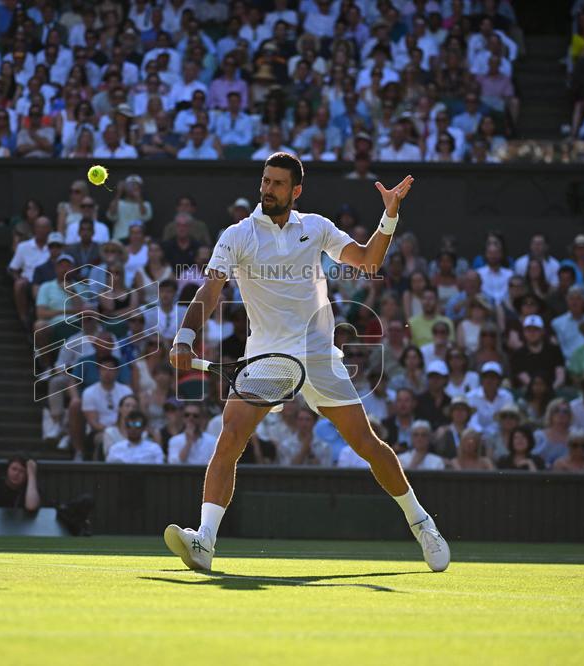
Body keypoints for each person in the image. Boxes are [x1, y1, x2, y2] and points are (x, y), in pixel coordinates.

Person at [167, 153, 448, 573]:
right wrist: (185, 336)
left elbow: (368, 262)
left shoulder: (316, 227)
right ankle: (204, 541)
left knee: (366, 443)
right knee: (230, 436)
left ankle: (422, 524)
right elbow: (209, 290)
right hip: (265, 357)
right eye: (265, 181)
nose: (267, 189)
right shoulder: (237, 234)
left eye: (278, 183)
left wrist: (389, 215)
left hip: (318, 356)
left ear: (295, 190)